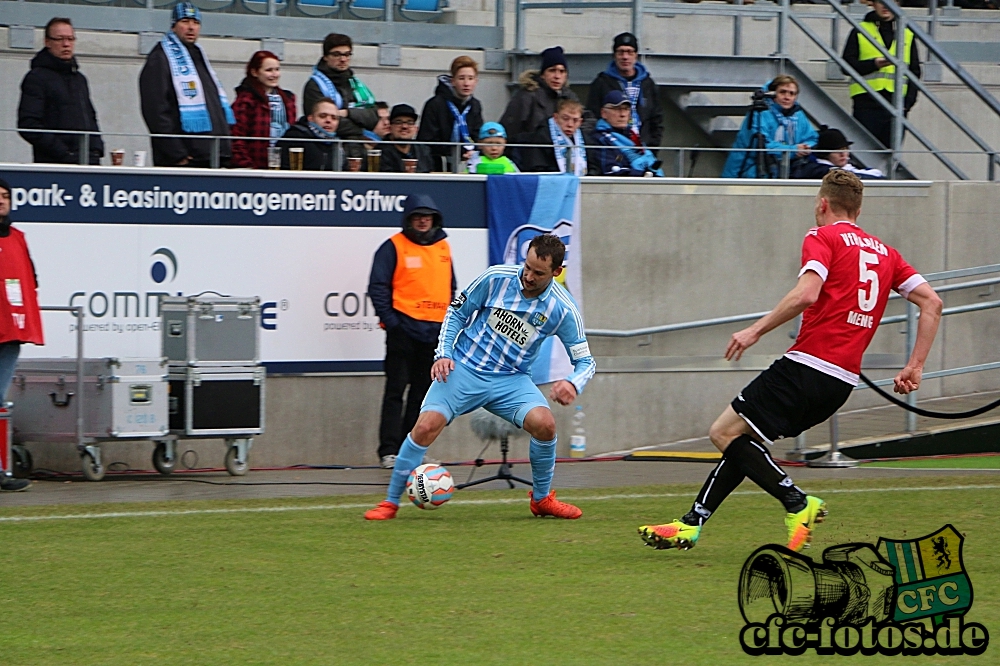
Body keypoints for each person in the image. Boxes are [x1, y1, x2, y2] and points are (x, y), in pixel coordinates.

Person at [638, 170, 943, 553]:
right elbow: (933, 302)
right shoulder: (886, 254)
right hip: (840, 384)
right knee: (744, 441)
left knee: (723, 433)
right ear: (859, 209)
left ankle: (797, 502)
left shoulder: (822, 236)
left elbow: (806, 294)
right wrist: (915, 365)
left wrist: (755, 331)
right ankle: (691, 523)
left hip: (807, 366)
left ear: (822, 203)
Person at [364, 234, 596, 520]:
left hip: (511, 381)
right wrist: (444, 353)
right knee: (424, 428)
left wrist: (573, 382)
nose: (528, 276)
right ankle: (389, 503)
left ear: (556, 272)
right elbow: (457, 313)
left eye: (538, 272)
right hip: (463, 368)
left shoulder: (563, 309)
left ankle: (542, 500)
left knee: (545, 425)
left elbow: (586, 360)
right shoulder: (496, 277)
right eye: (527, 267)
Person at [368, 195, 456, 470]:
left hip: (434, 335)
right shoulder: (393, 247)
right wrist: (393, 323)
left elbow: (450, 288)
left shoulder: (443, 248)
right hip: (403, 332)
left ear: (434, 219)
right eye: (417, 216)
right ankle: (389, 451)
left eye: (427, 216)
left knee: (422, 396)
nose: (422, 220)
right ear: (408, 219)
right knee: (395, 392)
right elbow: (378, 287)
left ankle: (413, 450)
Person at [139, 3, 235, 167]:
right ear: (173, 26)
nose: (191, 28)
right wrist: (177, 154)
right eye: (185, 21)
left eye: (195, 23)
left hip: (211, 153)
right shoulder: (161, 58)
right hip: (186, 159)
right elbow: (156, 110)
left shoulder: (198, 56)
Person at [0, 179, 42, 493]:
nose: (1, 201)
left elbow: (29, 280)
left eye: (5, 196)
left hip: (9, 333)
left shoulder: (18, 238)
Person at [17, 18, 103, 165]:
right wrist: (63, 152)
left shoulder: (79, 79)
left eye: (70, 39)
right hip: (54, 165)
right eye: (60, 39)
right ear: (47, 42)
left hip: (88, 161)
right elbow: (28, 124)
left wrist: (96, 149)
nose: (66, 44)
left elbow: (90, 117)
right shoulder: (37, 78)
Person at [843, 0, 920, 148]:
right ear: (873, 4)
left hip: (897, 104)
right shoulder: (860, 30)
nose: (886, 5)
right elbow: (846, 66)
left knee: (890, 158)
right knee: (862, 155)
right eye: (881, 1)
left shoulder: (907, 34)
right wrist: (874, 64)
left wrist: (907, 103)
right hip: (866, 103)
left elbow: (914, 72)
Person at [721, 76, 818, 179]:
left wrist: (805, 147)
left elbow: (812, 138)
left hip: (787, 169)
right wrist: (793, 150)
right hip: (754, 170)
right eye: (782, 92)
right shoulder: (759, 112)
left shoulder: (798, 114)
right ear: (772, 93)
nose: (787, 97)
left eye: (792, 93)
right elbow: (760, 145)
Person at [499, 46, 582, 167]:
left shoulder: (570, 96)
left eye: (562, 71)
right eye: (552, 70)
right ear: (543, 74)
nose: (557, 76)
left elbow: (587, 121)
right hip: (531, 161)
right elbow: (509, 131)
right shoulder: (526, 96)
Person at [585, 32, 663, 152]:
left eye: (629, 52)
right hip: (612, 149)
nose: (625, 57)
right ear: (614, 55)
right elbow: (592, 116)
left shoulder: (648, 84)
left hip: (644, 149)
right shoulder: (601, 82)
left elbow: (656, 119)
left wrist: (653, 146)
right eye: (620, 52)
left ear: (636, 55)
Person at [303, 34, 378, 153]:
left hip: (357, 150)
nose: (343, 59)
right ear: (325, 57)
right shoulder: (315, 85)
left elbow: (373, 116)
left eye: (347, 54)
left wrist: (348, 113)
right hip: (327, 151)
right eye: (337, 54)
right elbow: (321, 122)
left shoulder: (355, 83)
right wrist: (361, 128)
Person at [417, 56, 485, 172]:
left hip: (467, 163)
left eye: (470, 78)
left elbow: (477, 134)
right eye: (461, 78)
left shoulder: (475, 105)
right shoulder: (435, 104)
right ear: (453, 81)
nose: (466, 83)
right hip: (437, 164)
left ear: (476, 81)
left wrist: (473, 150)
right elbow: (426, 140)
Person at [231, 50, 296, 169]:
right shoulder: (245, 100)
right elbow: (236, 137)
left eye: (277, 69)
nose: (275, 74)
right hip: (255, 167)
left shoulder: (289, 99)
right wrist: (247, 166)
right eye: (269, 70)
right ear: (255, 72)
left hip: (284, 166)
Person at [588, 91, 663, 176]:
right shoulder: (599, 139)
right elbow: (613, 170)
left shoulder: (633, 136)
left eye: (626, 109)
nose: (623, 114)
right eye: (616, 109)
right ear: (604, 113)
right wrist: (643, 174)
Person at [521, 98, 587, 175]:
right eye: (565, 118)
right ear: (556, 117)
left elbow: (594, 167)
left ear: (580, 122)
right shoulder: (542, 137)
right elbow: (538, 167)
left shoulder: (585, 138)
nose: (570, 124)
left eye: (575, 120)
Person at [792, 126, 885, 180]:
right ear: (825, 154)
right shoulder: (817, 170)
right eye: (837, 150)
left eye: (845, 149)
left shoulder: (848, 166)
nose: (843, 154)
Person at [277, 98, 342, 171]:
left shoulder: (338, 145)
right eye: (323, 116)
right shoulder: (295, 136)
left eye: (334, 118)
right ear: (311, 118)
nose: (328, 120)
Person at [379, 105, 435, 173]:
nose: (404, 126)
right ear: (390, 127)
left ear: (416, 128)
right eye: (398, 122)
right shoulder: (380, 152)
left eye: (410, 122)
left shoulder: (424, 150)